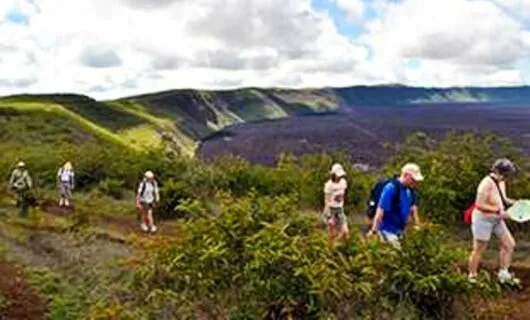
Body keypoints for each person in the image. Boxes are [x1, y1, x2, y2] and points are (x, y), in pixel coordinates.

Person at [468, 158, 519, 284]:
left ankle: (503, 274)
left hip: (497, 219)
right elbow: (479, 205)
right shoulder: (485, 184)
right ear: (499, 172)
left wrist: (518, 204)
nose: (507, 177)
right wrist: (499, 211)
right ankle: (472, 276)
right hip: (483, 220)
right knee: (479, 249)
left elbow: (504, 199)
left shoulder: (501, 182)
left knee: (509, 244)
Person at [367, 163, 423, 248]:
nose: (415, 182)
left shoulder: (408, 191)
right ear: (406, 175)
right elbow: (380, 209)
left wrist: (417, 226)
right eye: (413, 179)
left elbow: (412, 209)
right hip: (386, 230)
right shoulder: (391, 188)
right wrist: (374, 230)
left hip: (399, 231)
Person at [323, 163, 349, 243]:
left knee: (345, 232)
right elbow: (327, 201)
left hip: (340, 209)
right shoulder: (329, 185)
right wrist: (329, 216)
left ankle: (343, 247)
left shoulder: (343, 182)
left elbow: (343, 195)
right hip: (331, 210)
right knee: (332, 234)